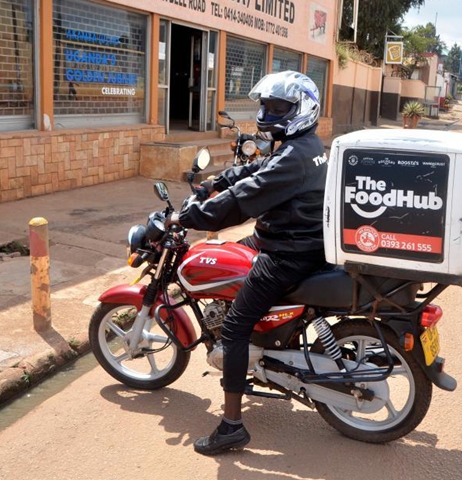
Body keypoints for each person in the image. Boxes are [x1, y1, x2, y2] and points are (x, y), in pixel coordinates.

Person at [166, 70, 327, 455]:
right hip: (293, 236)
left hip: (288, 251)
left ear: (302, 108)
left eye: (278, 107)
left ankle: (232, 426)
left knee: (235, 327)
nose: (269, 112)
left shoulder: (295, 155)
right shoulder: (302, 144)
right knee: (232, 256)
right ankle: (266, 341)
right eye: (266, 106)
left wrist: (190, 217)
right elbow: (256, 172)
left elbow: (245, 199)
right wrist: (216, 182)